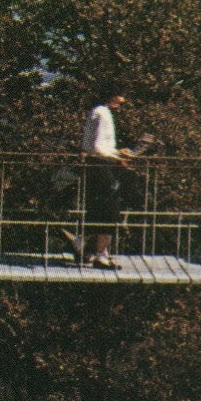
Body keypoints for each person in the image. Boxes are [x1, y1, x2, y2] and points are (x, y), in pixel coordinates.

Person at [71, 91, 146, 269]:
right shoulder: (103, 113)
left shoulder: (97, 111)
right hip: (100, 165)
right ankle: (99, 253)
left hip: (95, 164)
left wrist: (117, 154)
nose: (123, 100)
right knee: (110, 209)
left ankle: (84, 244)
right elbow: (97, 147)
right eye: (120, 95)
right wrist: (117, 158)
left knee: (99, 208)